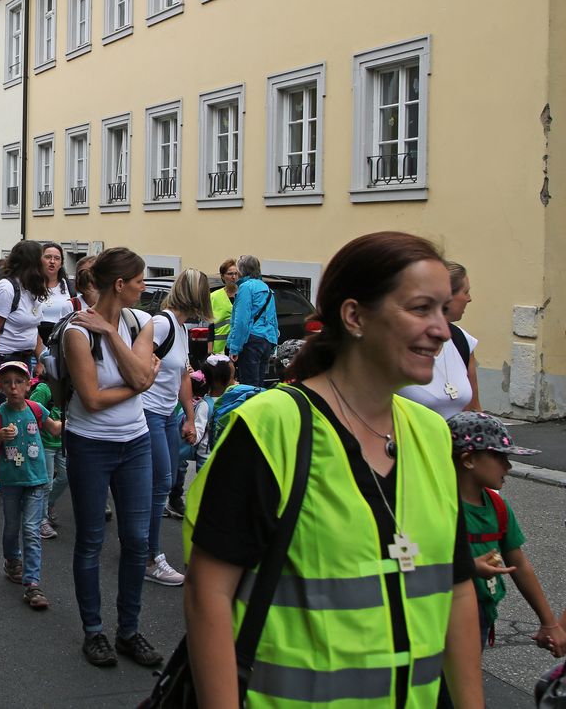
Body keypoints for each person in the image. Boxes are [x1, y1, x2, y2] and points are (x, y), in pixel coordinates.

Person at [183, 231, 484, 708]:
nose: (443, 331)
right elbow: (208, 596)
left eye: (444, 311)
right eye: (421, 309)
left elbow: (458, 587)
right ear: (355, 316)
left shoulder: (430, 433)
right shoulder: (271, 426)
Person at [62, 247, 162, 668]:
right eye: (140, 281)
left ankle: (128, 631)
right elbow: (92, 398)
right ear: (120, 285)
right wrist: (139, 385)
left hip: (135, 442)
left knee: (137, 541)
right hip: (89, 443)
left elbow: (138, 374)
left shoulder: (143, 321)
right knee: (90, 540)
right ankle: (93, 632)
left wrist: (111, 331)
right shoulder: (75, 332)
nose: (145, 287)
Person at [447, 411, 565, 654]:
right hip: (445, 616)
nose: (509, 466)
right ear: (468, 459)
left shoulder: (497, 507)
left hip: (484, 612)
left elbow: (519, 563)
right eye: (501, 457)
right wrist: (466, 566)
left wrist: (549, 622)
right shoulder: (439, 506)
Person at [141, 268, 210, 586]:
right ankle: (150, 557)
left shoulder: (180, 329)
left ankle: (143, 547)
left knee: (161, 485)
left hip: (167, 415)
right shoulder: (161, 324)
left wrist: (188, 416)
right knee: (160, 484)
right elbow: (136, 362)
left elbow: (183, 376)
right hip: (149, 412)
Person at [0, 360, 63, 611]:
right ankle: (12, 560)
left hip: (37, 479)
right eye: (7, 382)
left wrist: (75, 417)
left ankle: (33, 584)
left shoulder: (37, 409)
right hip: (10, 481)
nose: (13, 387)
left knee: (31, 529)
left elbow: (54, 430)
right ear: (1, 386)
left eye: (19, 382)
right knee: (12, 527)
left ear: (28, 385)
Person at [399, 261, 483, 417]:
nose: (469, 299)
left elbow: (474, 411)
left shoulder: (462, 340)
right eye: (465, 292)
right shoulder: (395, 343)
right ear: (446, 295)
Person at [0, 240, 50, 409]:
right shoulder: (6, 288)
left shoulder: (31, 289)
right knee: (6, 416)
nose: (47, 263)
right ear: (32, 263)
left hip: (23, 358)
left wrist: (43, 360)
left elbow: (32, 330)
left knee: (18, 415)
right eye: (43, 258)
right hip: (3, 359)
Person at [226, 254, 278, 388]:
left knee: (248, 386)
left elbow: (241, 321)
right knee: (259, 385)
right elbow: (273, 319)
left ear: (242, 270)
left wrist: (234, 348)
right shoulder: (266, 288)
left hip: (251, 341)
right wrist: (273, 344)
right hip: (266, 340)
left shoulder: (245, 288)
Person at [27, 375, 66, 539]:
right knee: (46, 483)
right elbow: (31, 411)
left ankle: (48, 504)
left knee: (65, 477)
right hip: (46, 443)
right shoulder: (44, 389)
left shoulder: (70, 388)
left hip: (62, 442)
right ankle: (42, 521)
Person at [39, 242, 78, 342]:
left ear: (61, 263)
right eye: (48, 257)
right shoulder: (30, 286)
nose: (52, 261)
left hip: (61, 341)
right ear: (40, 260)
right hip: (33, 342)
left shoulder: (70, 287)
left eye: (57, 258)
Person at [210, 258, 239, 354]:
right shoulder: (214, 297)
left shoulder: (244, 295)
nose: (234, 277)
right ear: (222, 276)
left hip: (239, 348)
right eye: (230, 274)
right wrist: (210, 350)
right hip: (219, 349)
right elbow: (211, 326)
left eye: (236, 273)